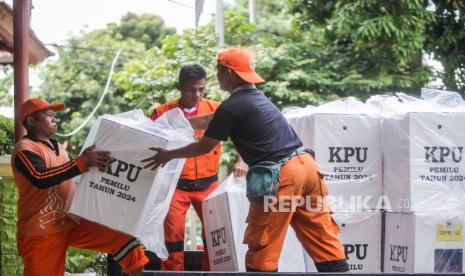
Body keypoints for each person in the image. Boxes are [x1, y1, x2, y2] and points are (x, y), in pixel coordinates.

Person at [142, 48, 349, 272]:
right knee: (322, 238)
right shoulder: (257, 99)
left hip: (283, 177)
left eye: (219, 71)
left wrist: (168, 154)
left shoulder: (231, 106)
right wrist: (166, 125)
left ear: (228, 73)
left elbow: (204, 146)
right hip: (307, 168)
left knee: (262, 246)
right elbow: (209, 120)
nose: (217, 77)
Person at [11, 98, 149, 276]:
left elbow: (70, 175)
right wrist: (82, 162)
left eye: (55, 116)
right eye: (49, 115)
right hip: (42, 229)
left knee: (123, 236)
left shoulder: (60, 148)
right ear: (31, 120)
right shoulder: (24, 148)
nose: (55, 119)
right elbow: (40, 177)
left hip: (72, 221)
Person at [149, 64, 247, 271]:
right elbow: (147, 143)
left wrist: (242, 160)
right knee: (172, 236)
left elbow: (243, 132)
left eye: (201, 89)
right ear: (179, 87)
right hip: (175, 186)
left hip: (209, 184)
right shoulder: (161, 112)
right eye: (191, 89)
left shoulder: (217, 109)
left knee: (215, 235)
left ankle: (211, 272)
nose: (197, 94)